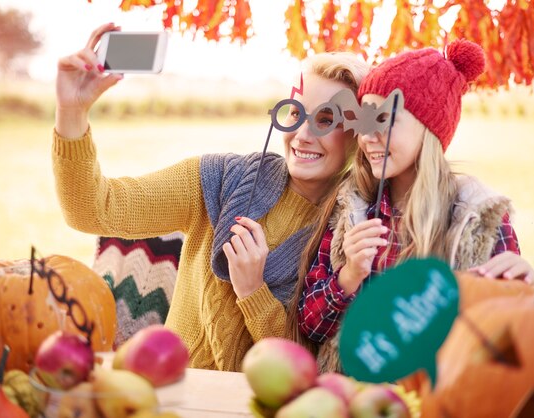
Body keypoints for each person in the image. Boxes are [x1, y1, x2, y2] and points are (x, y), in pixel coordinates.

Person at [52, 23, 370, 371]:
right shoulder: (217, 180)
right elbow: (93, 209)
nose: (302, 133)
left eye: (326, 119)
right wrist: (71, 112)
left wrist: (252, 291)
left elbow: (303, 365)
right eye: (295, 113)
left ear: (356, 136)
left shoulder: (346, 237)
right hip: (171, 388)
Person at [286, 39, 534, 372]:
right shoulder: (352, 208)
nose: (368, 136)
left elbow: (513, 346)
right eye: (365, 120)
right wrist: (347, 277)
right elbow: (312, 326)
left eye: (385, 120)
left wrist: (530, 290)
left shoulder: (478, 218)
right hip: (354, 399)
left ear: (430, 129)